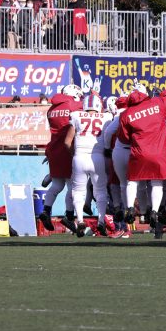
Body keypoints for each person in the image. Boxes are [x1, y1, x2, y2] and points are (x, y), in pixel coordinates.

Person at [118, 82, 166, 239]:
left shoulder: (126, 114)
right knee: (157, 183)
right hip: (160, 152)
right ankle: (154, 210)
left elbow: (124, 138)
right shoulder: (156, 104)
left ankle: (130, 208)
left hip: (140, 152)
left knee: (132, 181)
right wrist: (164, 93)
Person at [64, 93, 113, 236]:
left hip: (80, 156)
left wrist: (74, 154)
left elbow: (67, 142)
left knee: (78, 190)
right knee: (101, 191)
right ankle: (101, 221)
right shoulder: (107, 117)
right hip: (98, 157)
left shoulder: (76, 115)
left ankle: (79, 220)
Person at [38, 84, 84, 233]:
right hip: (67, 149)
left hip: (54, 149)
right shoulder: (74, 105)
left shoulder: (51, 109)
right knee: (72, 186)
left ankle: (46, 210)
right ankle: (69, 216)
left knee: (57, 185)